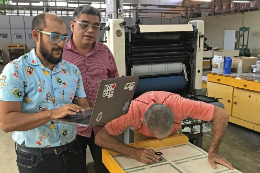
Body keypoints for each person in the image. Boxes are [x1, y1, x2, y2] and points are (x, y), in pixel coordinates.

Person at [0, 13, 91, 173]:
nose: (61, 44)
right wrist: (53, 114)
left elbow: (83, 106)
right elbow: (7, 122)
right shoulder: (15, 71)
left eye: (64, 38)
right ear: (36, 35)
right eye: (55, 37)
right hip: (35, 159)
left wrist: (102, 113)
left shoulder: (72, 71)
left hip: (73, 151)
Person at [95, 91, 234, 170]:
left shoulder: (181, 105)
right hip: (142, 135)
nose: (160, 141)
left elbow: (222, 114)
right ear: (143, 121)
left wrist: (213, 152)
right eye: (157, 136)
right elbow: (100, 138)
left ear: (175, 118)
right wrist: (133, 152)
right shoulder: (131, 112)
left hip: (175, 135)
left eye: (163, 135)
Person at [62, 5, 119, 173]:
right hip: (72, 127)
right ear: (72, 26)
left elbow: (114, 82)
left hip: (103, 124)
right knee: (75, 168)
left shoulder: (104, 52)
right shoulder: (60, 54)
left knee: (106, 167)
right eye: (84, 24)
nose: (90, 30)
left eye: (95, 26)